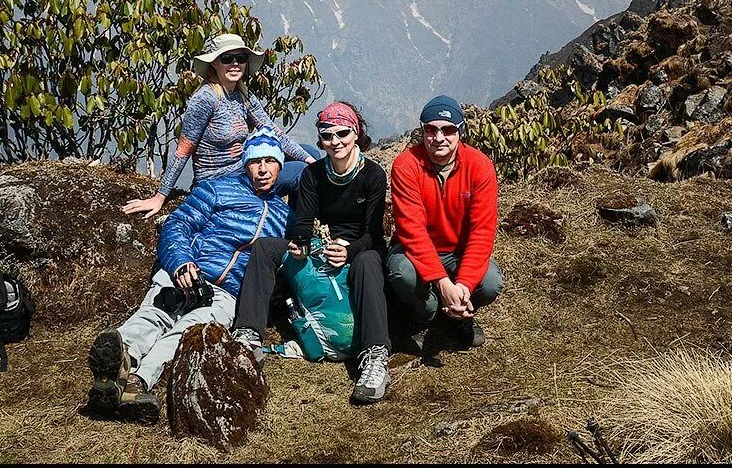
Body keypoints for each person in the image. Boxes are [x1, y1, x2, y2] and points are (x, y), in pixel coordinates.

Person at [86, 127, 300, 420]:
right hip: (187, 271)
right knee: (154, 315)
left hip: (225, 294)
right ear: (246, 163)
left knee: (186, 334)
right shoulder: (217, 189)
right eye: (255, 161)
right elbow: (178, 225)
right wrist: (180, 262)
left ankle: (132, 383)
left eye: (270, 162)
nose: (263, 169)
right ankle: (119, 354)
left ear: (280, 165)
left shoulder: (285, 217)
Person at [229, 101, 392, 404]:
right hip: (320, 243)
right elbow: (303, 219)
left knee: (369, 262)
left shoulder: (372, 175)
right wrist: (301, 243)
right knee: (266, 247)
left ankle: (376, 354)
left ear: (355, 133)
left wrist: (350, 250)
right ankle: (248, 333)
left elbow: (373, 234)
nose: (336, 142)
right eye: (328, 136)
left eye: (343, 133)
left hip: (360, 248)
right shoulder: (313, 174)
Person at [122, 33, 315, 220]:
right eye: (227, 58)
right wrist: (160, 197)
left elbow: (273, 133)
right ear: (214, 63)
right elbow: (183, 150)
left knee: (310, 154)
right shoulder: (206, 98)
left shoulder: (243, 94)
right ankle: (296, 230)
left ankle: (296, 222)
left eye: (240, 58)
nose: (235, 64)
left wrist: (310, 159)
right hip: (218, 181)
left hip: (243, 171)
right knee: (302, 170)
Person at [387, 94, 503, 350]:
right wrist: (442, 283)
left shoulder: (479, 166)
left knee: (491, 282)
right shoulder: (406, 166)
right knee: (402, 274)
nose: (438, 138)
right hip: (413, 251)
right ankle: (425, 318)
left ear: (460, 131)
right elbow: (412, 230)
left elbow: (481, 232)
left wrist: (462, 285)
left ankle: (457, 313)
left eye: (448, 130)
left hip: (457, 250)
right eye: (431, 129)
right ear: (422, 131)